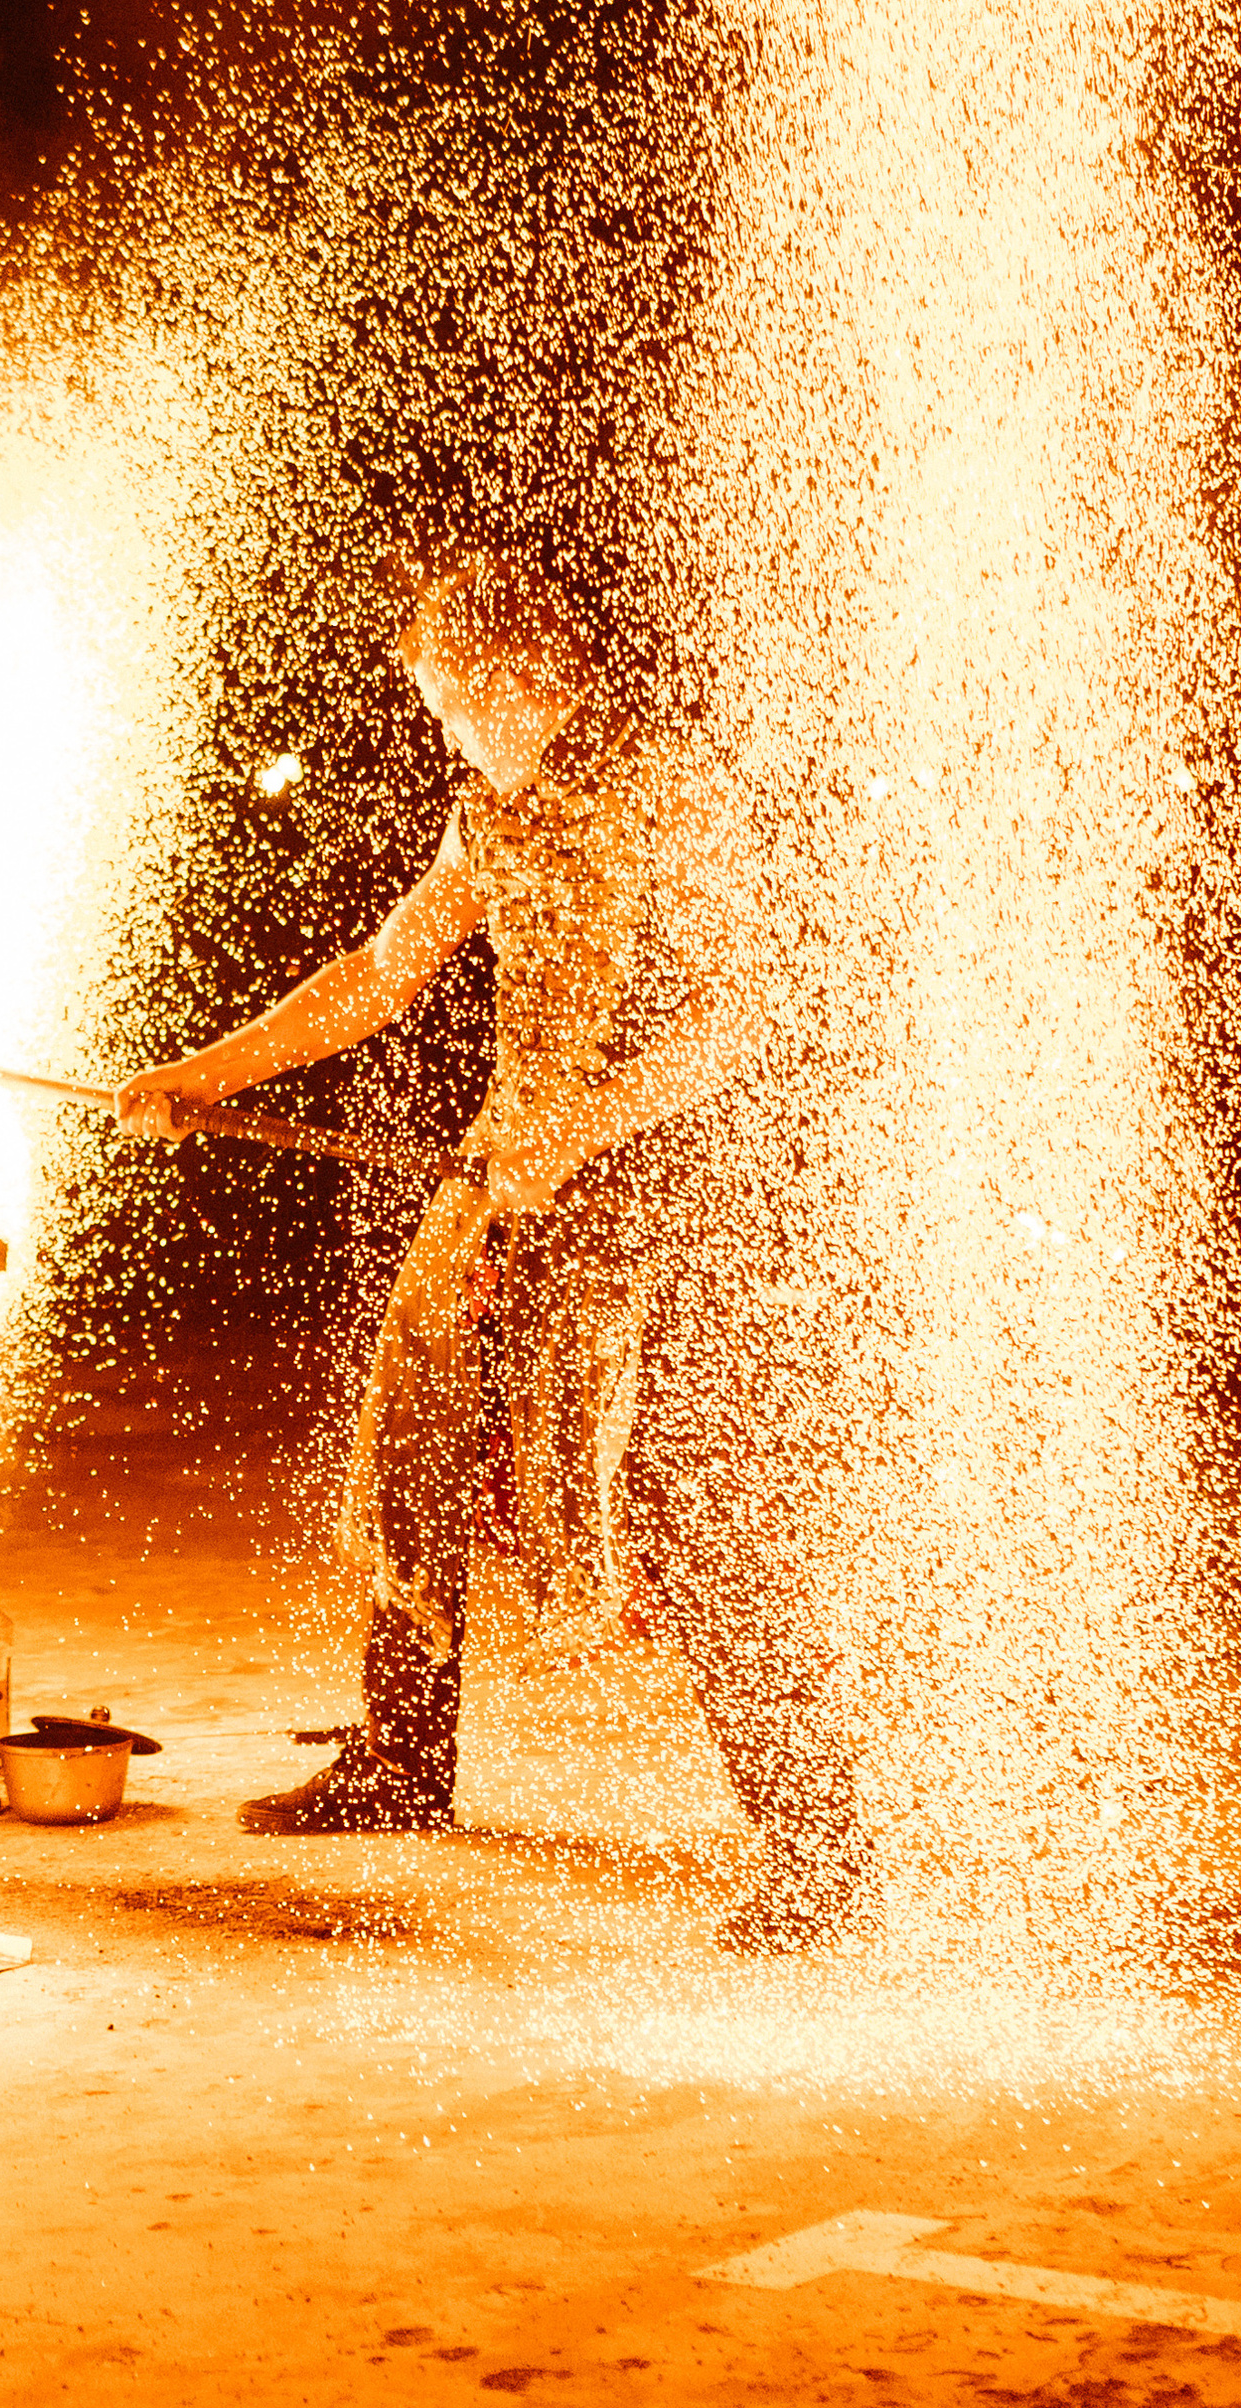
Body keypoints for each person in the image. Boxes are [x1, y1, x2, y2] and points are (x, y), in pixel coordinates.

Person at [117, 549, 874, 1951]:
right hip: (511, 1169)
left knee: (677, 1496)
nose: (446, 737)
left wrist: (585, 1124)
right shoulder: (497, 813)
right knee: (416, 1419)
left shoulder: (670, 788)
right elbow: (381, 972)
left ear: (527, 679)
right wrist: (210, 1072)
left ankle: (829, 1842)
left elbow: (738, 1012)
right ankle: (402, 1762)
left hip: (663, 1189)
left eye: (454, 706)